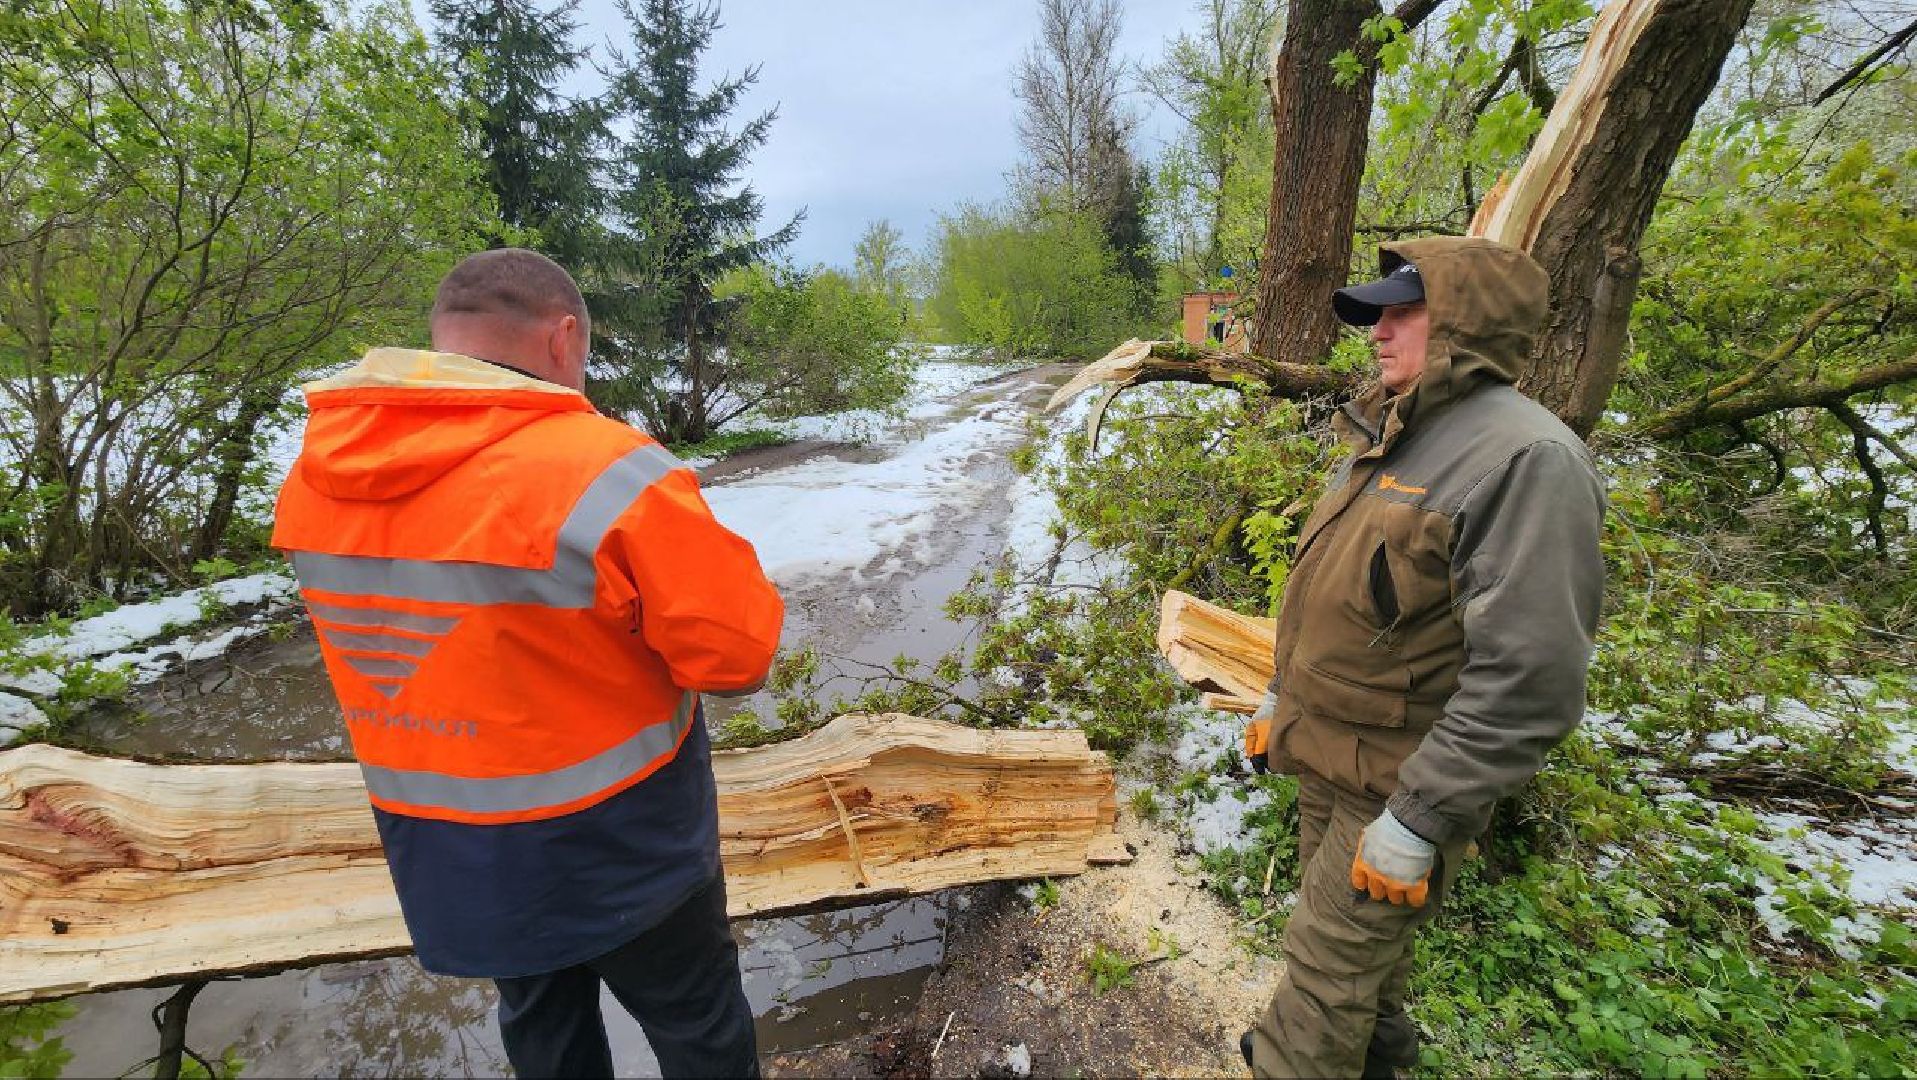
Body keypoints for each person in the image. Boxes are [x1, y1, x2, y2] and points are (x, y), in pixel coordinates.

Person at [272, 248, 783, 1079]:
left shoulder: (318, 474)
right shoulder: (607, 469)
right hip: (620, 838)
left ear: (442, 340)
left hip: (450, 847)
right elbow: (735, 658)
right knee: (698, 1026)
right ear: (563, 336)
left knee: (542, 1029)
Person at [1238, 236, 1606, 1078]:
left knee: (1323, 968)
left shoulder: (1525, 459)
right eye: (1379, 314)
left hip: (1395, 783)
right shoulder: (1397, 431)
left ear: (1464, 325)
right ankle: (1378, 1063)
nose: (1378, 331)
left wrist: (1422, 816)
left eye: (1404, 312)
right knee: (1358, 958)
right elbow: (1329, 596)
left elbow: (1530, 676)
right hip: (1329, 754)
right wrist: (1275, 697)